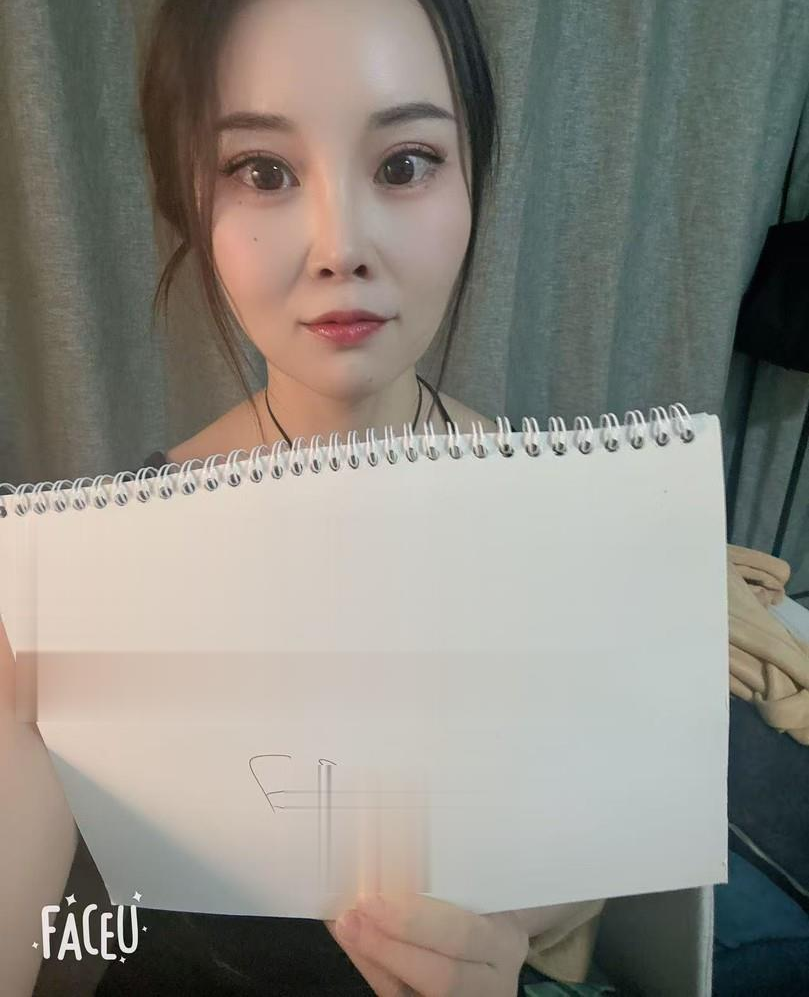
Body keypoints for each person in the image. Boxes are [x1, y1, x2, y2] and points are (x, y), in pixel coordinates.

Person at [3, 0, 609, 994]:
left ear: (472, 182)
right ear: (190, 203)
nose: (339, 246)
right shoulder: (87, 573)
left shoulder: (572, 528)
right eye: (262, 172)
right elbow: (35, 932)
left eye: (404, 163)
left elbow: (579, 874)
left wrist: (494, 951)